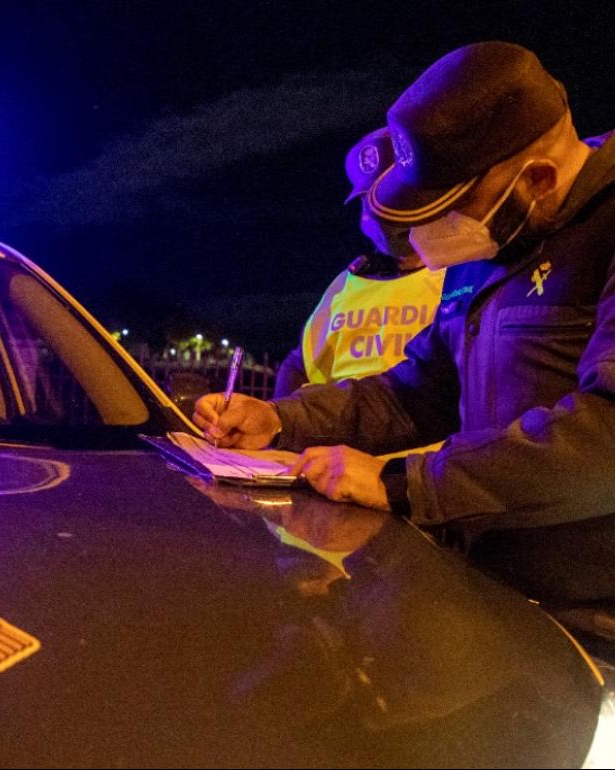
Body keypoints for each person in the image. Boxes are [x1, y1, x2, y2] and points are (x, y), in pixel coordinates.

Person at [194, 41, 615, 604]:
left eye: (452, 206)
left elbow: (605, 437)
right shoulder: (501, 239)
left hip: (594, 626)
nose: (433, 230)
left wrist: (407, 484)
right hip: (496, 597)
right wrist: (278, 420)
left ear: (536, 179)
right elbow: (414, 395)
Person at [275, 129, 445, 398]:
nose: (380, 215)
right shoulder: (347, 284)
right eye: (369, 203)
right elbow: (300, 365)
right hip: (338, 431)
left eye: (391, 198)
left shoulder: (460, 277)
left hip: (424, 435)